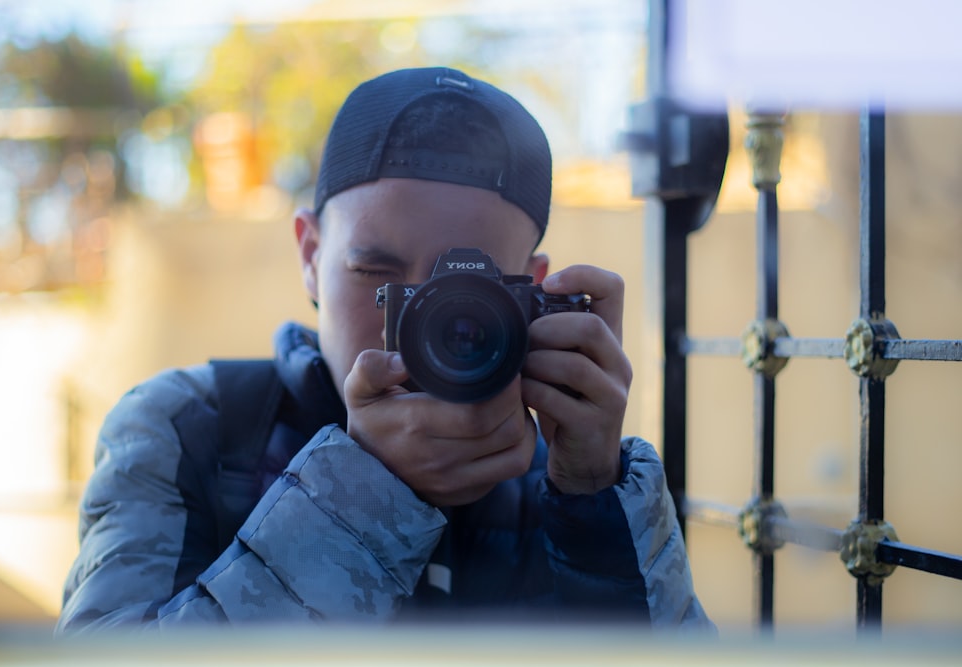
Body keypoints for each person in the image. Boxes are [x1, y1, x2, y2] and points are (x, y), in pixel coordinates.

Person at [57, 66, 712, 633]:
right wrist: (363, 494)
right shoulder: (189, 430)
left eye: (467, 287)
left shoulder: (562, 478)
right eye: (377, 273)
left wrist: (596, 505)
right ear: (311, 255)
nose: (418, 320)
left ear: (532, 290)